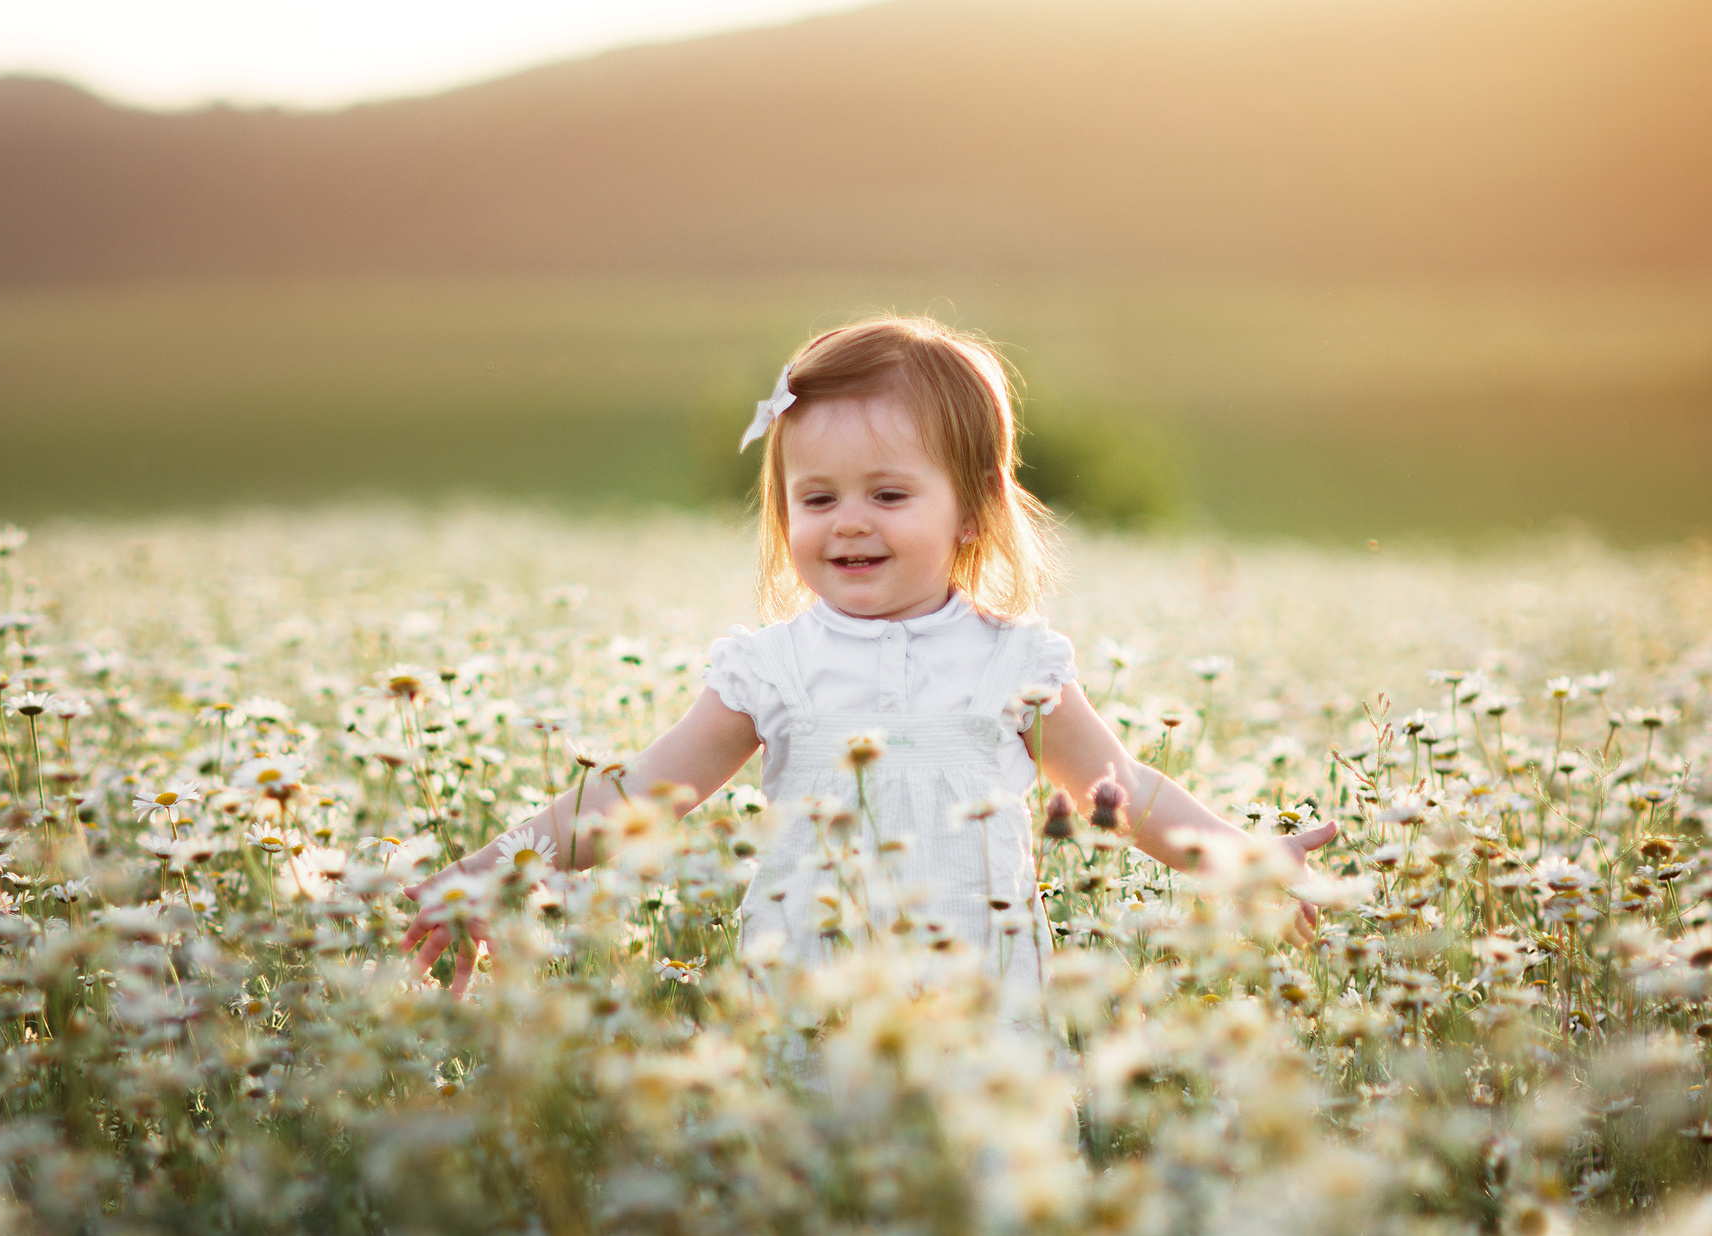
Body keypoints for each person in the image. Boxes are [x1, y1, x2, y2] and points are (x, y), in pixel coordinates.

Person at [400, 315, 1336, 1016]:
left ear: (971, 512)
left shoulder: (1014, 661)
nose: (848, 520)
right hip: (810, 1005)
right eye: (816, 497)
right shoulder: (771, 669)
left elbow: (1124, 789)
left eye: (888, 493)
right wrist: (485, 870)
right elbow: (634, 797)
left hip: (981, 1015)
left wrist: (1241, 858)